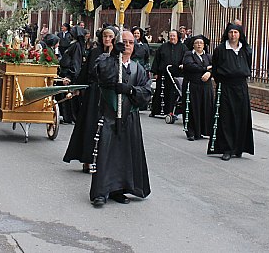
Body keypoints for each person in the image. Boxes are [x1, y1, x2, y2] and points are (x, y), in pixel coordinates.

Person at [90, 30, 152, 207]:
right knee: (106, 154)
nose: (127, 45)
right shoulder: (105, 60)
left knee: (125, 155)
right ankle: (101, 192)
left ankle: (119, 189)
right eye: (123, 42)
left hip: (129, 117)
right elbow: (101, 76)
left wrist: (130, 90)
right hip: (110, 115)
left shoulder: (137, 68)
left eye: (130, 42)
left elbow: (146, 92)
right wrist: (113, 56)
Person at [64, 27, 113, 173]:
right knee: (89, 125)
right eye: (105, 36)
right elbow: (85, 71)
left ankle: (104, 161)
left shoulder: (117, 54)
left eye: (110, 36)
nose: (107, 39)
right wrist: (77, 87)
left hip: (109, 94)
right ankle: (86, 159)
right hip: (93, 94)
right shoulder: (95, 52)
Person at [207, 23, 254, 160]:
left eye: (236, 32)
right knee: (226, 118)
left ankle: (239, 147)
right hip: (226, 87)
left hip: (241, 87)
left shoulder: (246, 50)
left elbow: (248, 66)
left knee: (241, 117)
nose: (233, 35)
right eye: (231, 32)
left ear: (240, 34)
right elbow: (215, 69)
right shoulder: (220, 50)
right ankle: (227, 148)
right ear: (227, 34)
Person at [181, 35, 214, 141]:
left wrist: (209, 73)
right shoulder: (188, 55)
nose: (199, 45)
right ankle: (191, 132)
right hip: (192, 86)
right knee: (192, 108)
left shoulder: (209, 56)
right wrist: (205, 68)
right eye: (197, 43)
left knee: (205, 107)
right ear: (193, 45)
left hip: (206, 87)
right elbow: (190, 66)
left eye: (201, 43)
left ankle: (203, 131)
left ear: (204, 45)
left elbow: (215, 67)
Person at [150, 30, 187, 117]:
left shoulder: (183, 48)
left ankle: (171, 112)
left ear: (178, 37)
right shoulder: (163, 47)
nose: (172, 38)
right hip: (163, 74)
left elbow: (185, 59)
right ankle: (156, 111)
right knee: (160, 92)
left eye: (174, 36)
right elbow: (157, 60)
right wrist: (155, 72)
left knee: (174, 94)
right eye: (170, 36)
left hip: (176, 75)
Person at [58, 25, 87, 124]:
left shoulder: (76, 46)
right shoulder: (73, 44)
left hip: (70, 74)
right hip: (66, 72)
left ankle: (70, 117)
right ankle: (67, 116)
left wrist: (70, 75)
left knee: (69, 97)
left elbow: (76, 62)